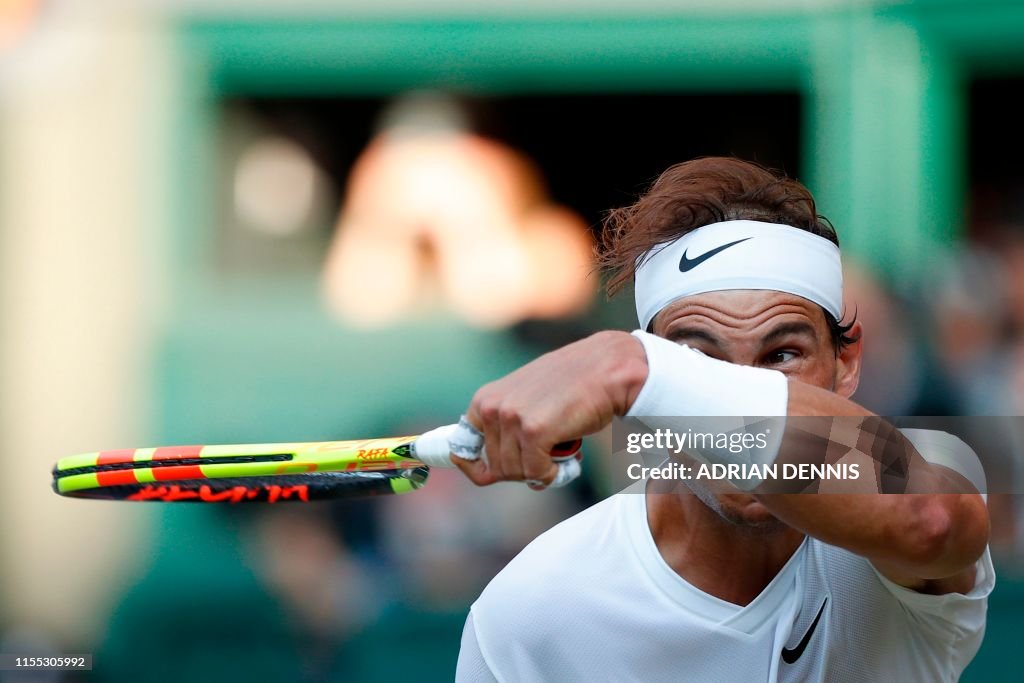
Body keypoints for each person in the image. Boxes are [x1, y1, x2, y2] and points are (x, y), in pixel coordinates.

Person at [449, 158, 993, 681]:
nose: (738, 394)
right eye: (699, 360)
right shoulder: (528, 613)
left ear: (845, 364)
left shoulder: (929, 471)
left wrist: (635, 371)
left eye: (782, 355)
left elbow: (931, 522)